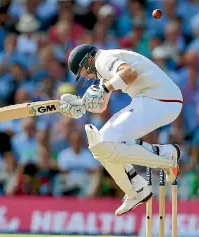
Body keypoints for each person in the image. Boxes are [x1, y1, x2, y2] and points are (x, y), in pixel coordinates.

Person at [59, 44, 183, 216]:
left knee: (105, 141)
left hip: (160, 100)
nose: (86, 77)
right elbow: (101, 106)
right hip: (158, 100)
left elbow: (130, 73)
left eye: (83, 72)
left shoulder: (103, 59)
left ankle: (165, 154)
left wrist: (104, 88)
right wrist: (81, 107)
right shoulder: (104, 71)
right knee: (100, 144)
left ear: (88, 60)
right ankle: (136, 189)